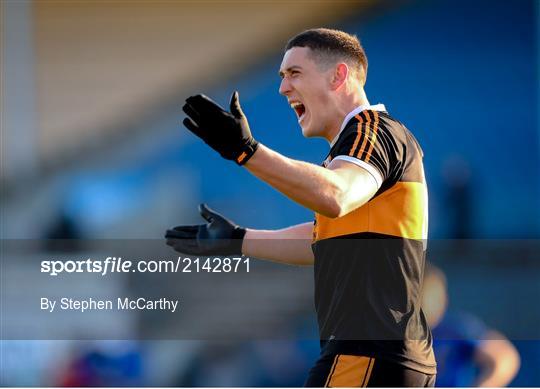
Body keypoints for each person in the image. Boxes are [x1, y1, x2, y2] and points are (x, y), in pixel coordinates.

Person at [166, 28, 436, 387]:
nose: (282, 88)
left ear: (339, 75)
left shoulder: (371, 131)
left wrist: (247, 152)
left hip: (368, 354)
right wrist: (239, 240)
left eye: (294, 73)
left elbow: (336, 196)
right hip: (389, 357)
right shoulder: (358, 148)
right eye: (281, 76)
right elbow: (322, 240)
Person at [422, 264, 520, 387]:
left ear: (444, 299)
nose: (427, 304)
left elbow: (504, 357)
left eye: (432, 298)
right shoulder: (403, 331)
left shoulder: (454, 329)